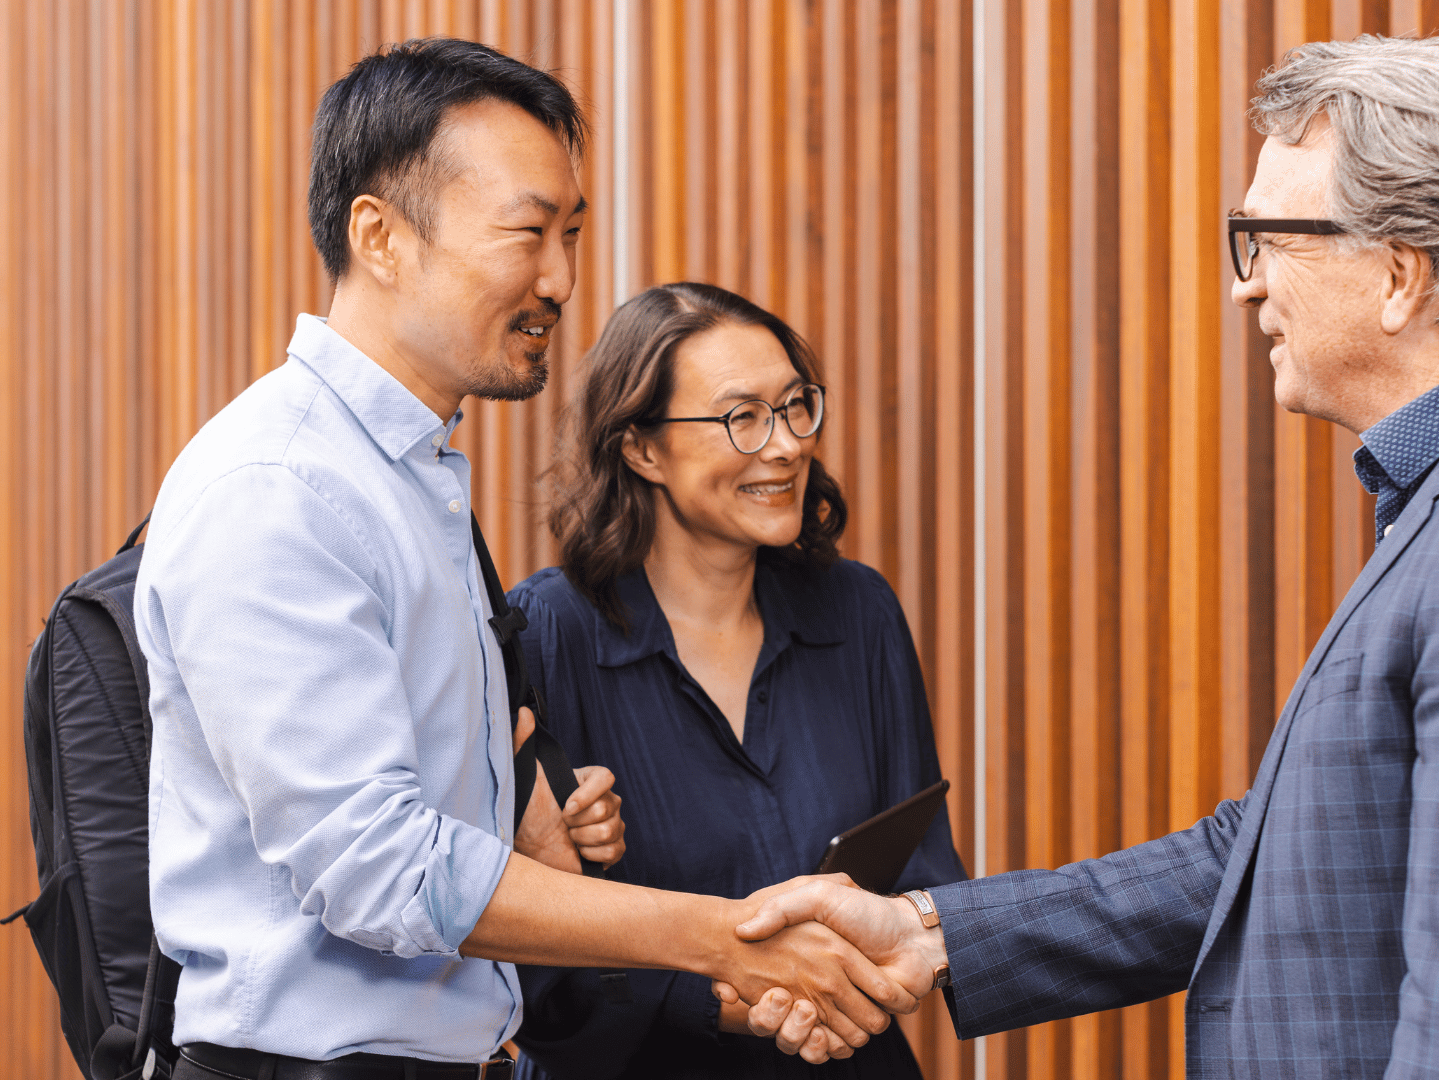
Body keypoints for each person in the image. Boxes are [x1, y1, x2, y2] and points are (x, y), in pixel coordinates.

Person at [734, 33, 1439, 1078]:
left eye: (1266, 238)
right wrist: (930, 935)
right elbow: (1285, 851)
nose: (1247, 286)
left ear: (1402, 273)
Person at [135, 39, 929, 1080]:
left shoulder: (410, 479)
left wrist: (525, 832)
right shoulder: (282, 486)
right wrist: (721, 938)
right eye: (527, 233)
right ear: (380, 236)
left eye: (572, 235)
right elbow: (375, 869)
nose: (560, 279)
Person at [502, 282, 968, 1078]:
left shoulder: (859, 612)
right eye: (741, 417)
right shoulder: (550, 632)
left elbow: (924, 877)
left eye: (795, 406)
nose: (785, 445)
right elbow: (532, 965)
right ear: (641, 448)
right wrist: (742, 1000)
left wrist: (852, 974)